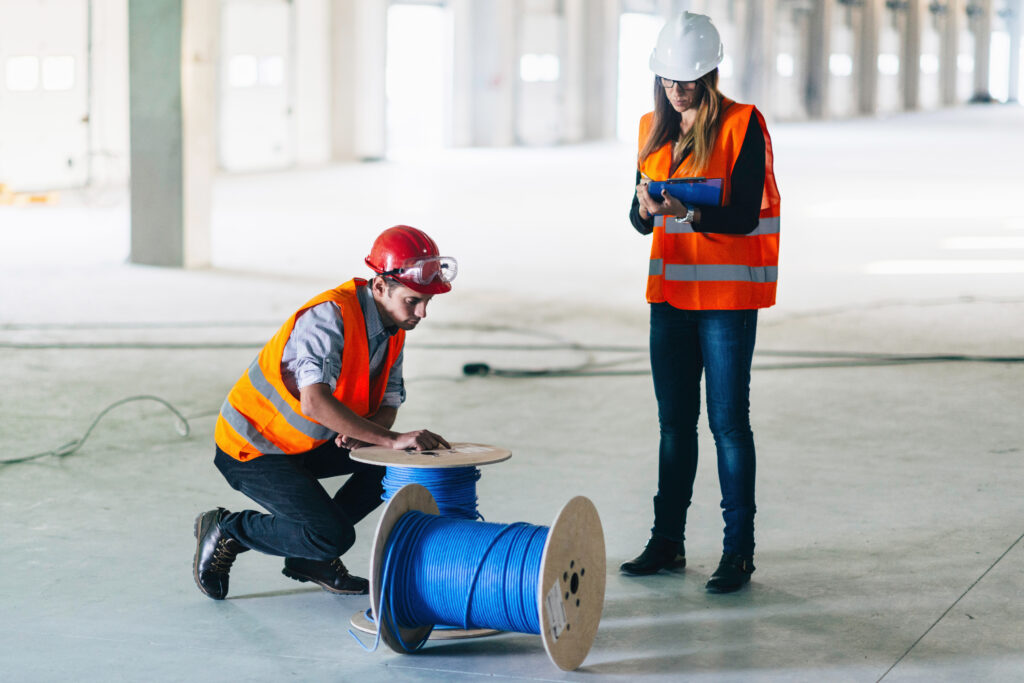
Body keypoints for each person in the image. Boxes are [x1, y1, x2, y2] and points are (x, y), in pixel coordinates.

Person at [193, 225, 456, 600]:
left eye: (428, 301)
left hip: (309, 443)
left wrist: (374, 435)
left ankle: (312, 560)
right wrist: (388, 439)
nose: (423, 312)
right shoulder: (329, 317)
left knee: (394, 463)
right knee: (331, 534)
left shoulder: (393, 327)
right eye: (414, 301)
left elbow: (388, 405)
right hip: (255, 446)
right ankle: (229, 529)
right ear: (380, 287)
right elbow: (314, 402)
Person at [619, 12, 781, 594]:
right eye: (668, 80)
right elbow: (637, 221)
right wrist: (645, 207)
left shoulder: (743, 124)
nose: (677, 89)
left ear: (710, 73)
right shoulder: (650, 129)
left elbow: (742, 215)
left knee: (729, 425)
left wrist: (685, 211)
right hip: (672, 299)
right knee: (673, 426)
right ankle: (667, 542)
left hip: (725, 300)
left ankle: (738, 552)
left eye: (687, 80)